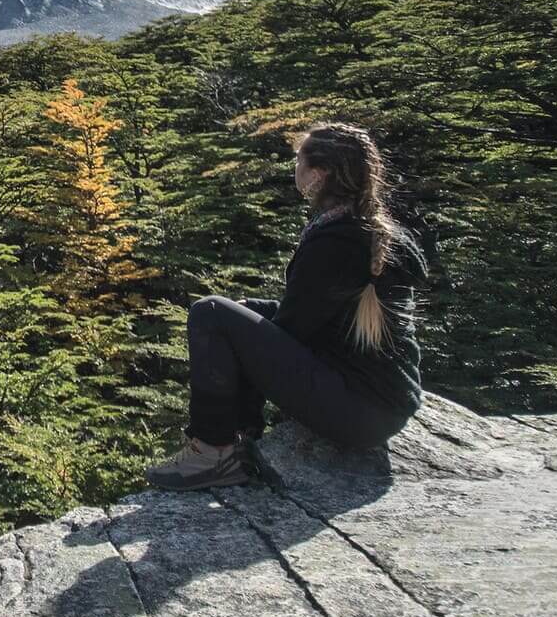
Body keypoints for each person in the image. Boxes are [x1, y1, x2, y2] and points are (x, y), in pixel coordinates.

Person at [145, 122, 430, 490]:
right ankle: (240, 438)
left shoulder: (332, 245)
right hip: (387, 403)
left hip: (357, 413)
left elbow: (292, 332)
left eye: (299, 159)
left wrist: (239, 330)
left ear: (319, 174)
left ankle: (214, 452)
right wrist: (248, 315)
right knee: (243, 311)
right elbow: (324, 319)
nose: (294, 167)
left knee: (210, 313)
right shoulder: (378, 234)